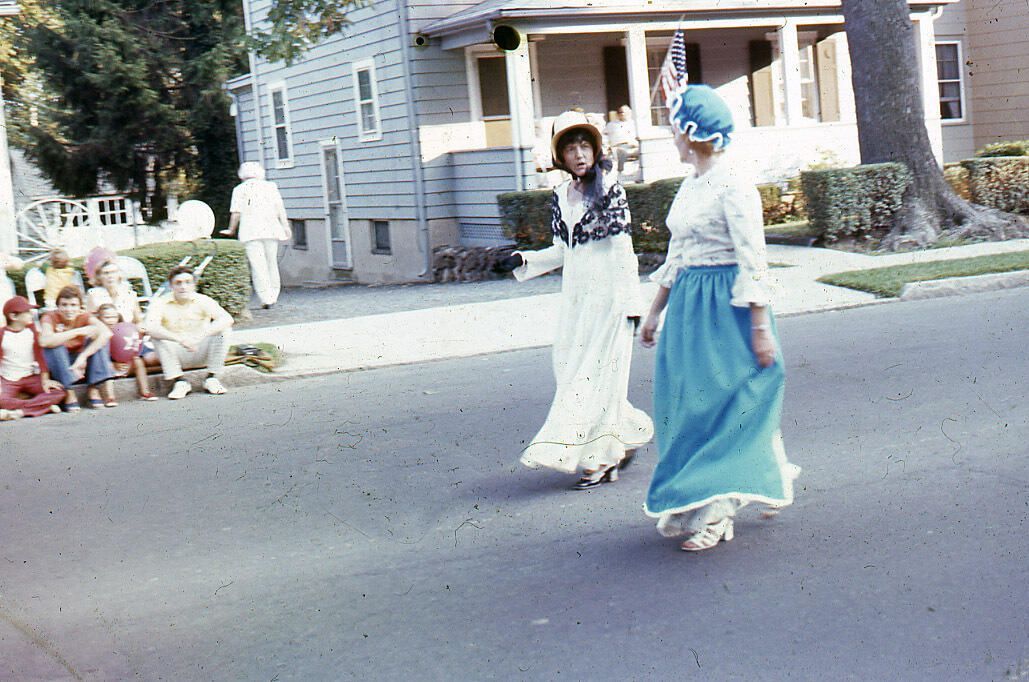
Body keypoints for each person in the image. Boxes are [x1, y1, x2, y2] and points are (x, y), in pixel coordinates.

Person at [639, 85, 800, 551]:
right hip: (689, 306)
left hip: (726, 308)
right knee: (690, 407)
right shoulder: (690, 185)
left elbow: (753, 261)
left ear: (694, 134)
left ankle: (719, 510)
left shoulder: (735, 185)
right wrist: (654, 312)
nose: (672, 137)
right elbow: (677, 255)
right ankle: (710, 490)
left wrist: (760, 327)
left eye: (676, 129)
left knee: (729, 403)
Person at [495, 110, 653, 489]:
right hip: (577, 303)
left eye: (584, 145)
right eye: (570, 148)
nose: (579, 154)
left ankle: (600, 461)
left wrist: (633, 305)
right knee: (572, 376)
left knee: (595, 381)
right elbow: (563, 250)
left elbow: (623, 250)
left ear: (595, 149)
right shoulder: (560, 196)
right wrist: (524, 260)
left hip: (611, 301)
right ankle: (623, 437)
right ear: (560, 156)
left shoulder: (610, 190)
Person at [145, 265, 233, 399]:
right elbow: (150, 327)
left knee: (224, 330)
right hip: (176, 351)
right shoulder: (160, 303)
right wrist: (180, 340)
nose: (183, 287)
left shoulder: (203, 300)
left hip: (200, 348)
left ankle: (212, 378)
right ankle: (179, 382)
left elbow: (227, 319)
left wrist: (198, 337)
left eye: (187, 282)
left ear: (193, 285)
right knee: (157, 337)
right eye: (178, 283)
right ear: (171, 286)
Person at [220, 162, 291, 309]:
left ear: (242, 175)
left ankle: (265, 298)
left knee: (258, 266)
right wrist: (285, 226)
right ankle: (274, 294)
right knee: (271, 263)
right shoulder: (270, 186)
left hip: (250, 232)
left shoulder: (239, 189)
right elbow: (280, 208)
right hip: (270, 230)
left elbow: (236, 213)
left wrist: (231, 229)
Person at [38, 285, 116, 410]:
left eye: (73, 305)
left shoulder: (85, 316)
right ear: (58, 306)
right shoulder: (49, 317)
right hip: (60, 362)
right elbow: (44, 341)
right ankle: (69, 391)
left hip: (79, 360)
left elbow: (106, 333)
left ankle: (93, 388)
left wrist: (83, 357)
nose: (69, 309)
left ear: (80, 307)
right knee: (53, 345)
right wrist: (78, 331)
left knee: (100, 339)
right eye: (64, 305)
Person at [0, 296, 66, 418]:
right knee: (1, 400)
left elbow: (40, 357)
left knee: (58, 392)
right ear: (13, 316)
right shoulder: (2, 334)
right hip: (8, 379)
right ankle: (44, 407)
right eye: (26, 312)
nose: (31, 314)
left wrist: (45, 380)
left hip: (30, 377)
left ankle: (19, 412)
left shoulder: (32, 331)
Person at [96, 303, 158, 401]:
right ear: (99, 319)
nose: (111, 320)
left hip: (126, 367)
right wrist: (113, 364)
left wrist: (127, 362)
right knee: (106, 365)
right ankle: (110, 397)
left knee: (137, 360)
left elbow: (133, 350)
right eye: (107, 317)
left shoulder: (123, 332)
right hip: (107, 369)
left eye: (114, 317)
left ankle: (145, 392)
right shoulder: (98, 333)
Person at [603, 105, 639, 176]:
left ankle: (638, 173)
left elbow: (639, 137)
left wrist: (635, 143)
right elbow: (604, 136)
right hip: (618, 147)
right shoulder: (611, 124)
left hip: (633, 146)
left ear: (630, 113)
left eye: (624, 112)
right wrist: (607, 146)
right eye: (620, 112)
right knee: (621, 152)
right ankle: (620, 172)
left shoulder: (634, 124)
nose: (622, 114)